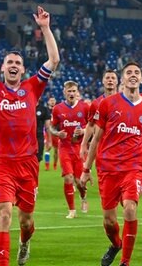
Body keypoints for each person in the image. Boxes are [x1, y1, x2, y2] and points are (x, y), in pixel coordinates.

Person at [0, 0, 60, 266]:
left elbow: (54, 60)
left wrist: (45, 28)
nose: (13, 65)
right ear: (2, 67)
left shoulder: (33, 87)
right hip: (3, 164)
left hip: (28, 164)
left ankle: (25, 242)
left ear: (22, 69)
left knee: (26, 219)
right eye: (9, 62)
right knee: (4, 213)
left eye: (17, 63)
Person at [81, 62, 142, 266]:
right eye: (129, 72)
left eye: (137, 73)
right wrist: (86, 169)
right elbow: (96, 139)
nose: (133, 75)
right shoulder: (107, 104)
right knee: (109, 221)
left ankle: (125, 261)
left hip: (133, 168)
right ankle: (116, 244)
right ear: (122, 79)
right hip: (107, 169)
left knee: (130, 209)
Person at [49, 81, 89, 219]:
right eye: (69, 91)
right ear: (64, 92)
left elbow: (91, 126)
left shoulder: (84, 107)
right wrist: (57, 133)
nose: (71, 94)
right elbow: (52, 127)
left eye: (74, 91)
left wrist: (83, 130)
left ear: (77, 92)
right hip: (65, 147)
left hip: (79, 148)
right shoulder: (58, 109)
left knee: (79, 182)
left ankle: (83, 196)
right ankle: (72, 210)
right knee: (68, 178)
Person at [80, 69, 119, 159]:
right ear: (103, 81)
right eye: (107, 78)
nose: (110, 80)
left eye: (113, 78)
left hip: (120, 148)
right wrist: (83, 144)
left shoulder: (124, 102)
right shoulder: (96, 103)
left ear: (117, 81)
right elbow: (90, 125)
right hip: (102, 149)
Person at [35, 96, 52, 168]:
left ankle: (34, 178)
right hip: (26, 138)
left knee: (37, 160)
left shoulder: (44, 109)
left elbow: (47, 127)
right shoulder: (24, 107)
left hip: (39, 137)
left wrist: (49, 141)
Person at [47, 97, 60, 169]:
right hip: (48, 131)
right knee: (48, 148)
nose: (52, 102)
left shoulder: (58, 110)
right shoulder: (46, 110)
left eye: (53, 100)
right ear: (48, 102)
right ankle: (47, 165)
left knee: (56, 150)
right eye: (51, 100)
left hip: (55, 131)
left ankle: (55, 165)